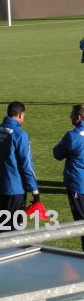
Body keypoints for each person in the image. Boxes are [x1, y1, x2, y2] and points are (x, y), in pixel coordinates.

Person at [0, 101, 40, 231]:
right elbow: (26, 165)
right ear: (21, 114)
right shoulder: (20, 135)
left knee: (4, 221)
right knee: (13, 227)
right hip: (16, 187)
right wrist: (35, 191)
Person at [53, 104, 84, 250]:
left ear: (78, 117)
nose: (70, 117)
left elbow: (57, 154)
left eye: (72, 114)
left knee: (81, 223)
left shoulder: (72, 136)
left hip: (78, 185)